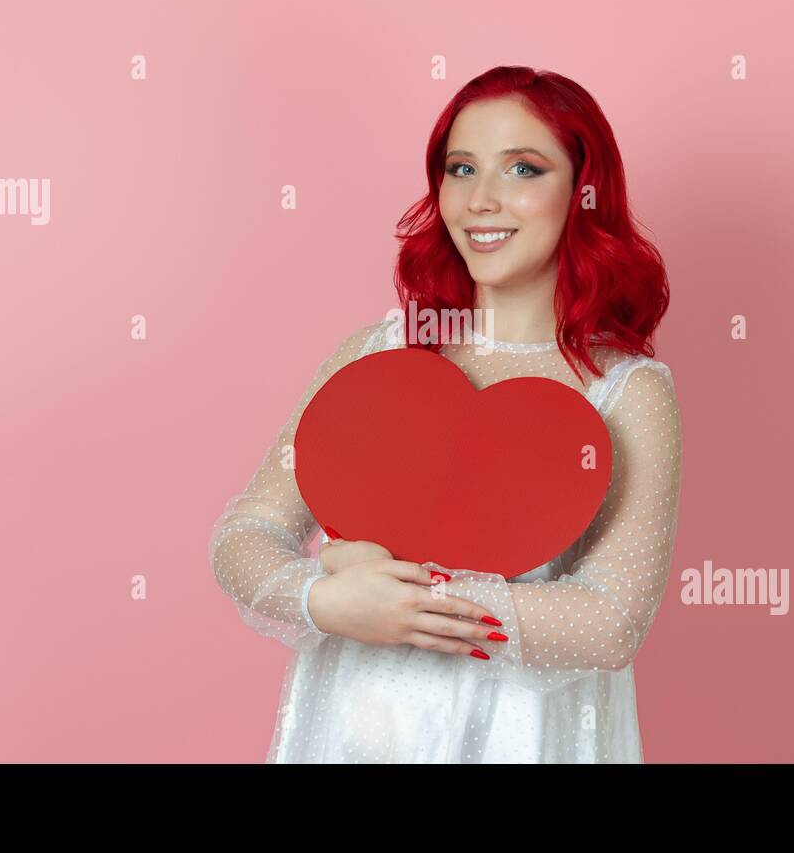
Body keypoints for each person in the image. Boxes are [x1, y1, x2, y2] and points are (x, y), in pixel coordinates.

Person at [209, 65, 683, 762]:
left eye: (523, 168)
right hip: (352, 730)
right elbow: (245, 533)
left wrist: (397, 602)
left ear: (585, 192)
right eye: (461, 169)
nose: (482, 200)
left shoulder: (627, 391)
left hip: (520, 742)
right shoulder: (376, 353)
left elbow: (611, 621)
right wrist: (324, 600)